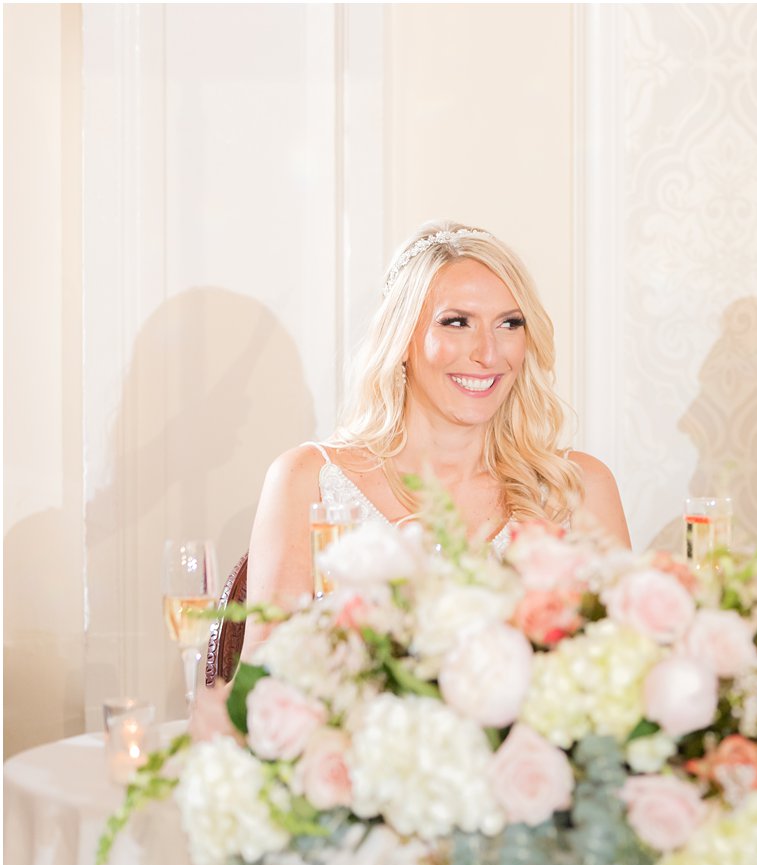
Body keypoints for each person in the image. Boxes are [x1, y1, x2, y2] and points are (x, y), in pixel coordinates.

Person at [189, 222, 630, 740]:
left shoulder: (576, 488)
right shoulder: (307, 480)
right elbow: (264, 690)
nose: (488, 353)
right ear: (401, 340)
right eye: (457, 322)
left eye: (510, 324)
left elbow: (627, 676)